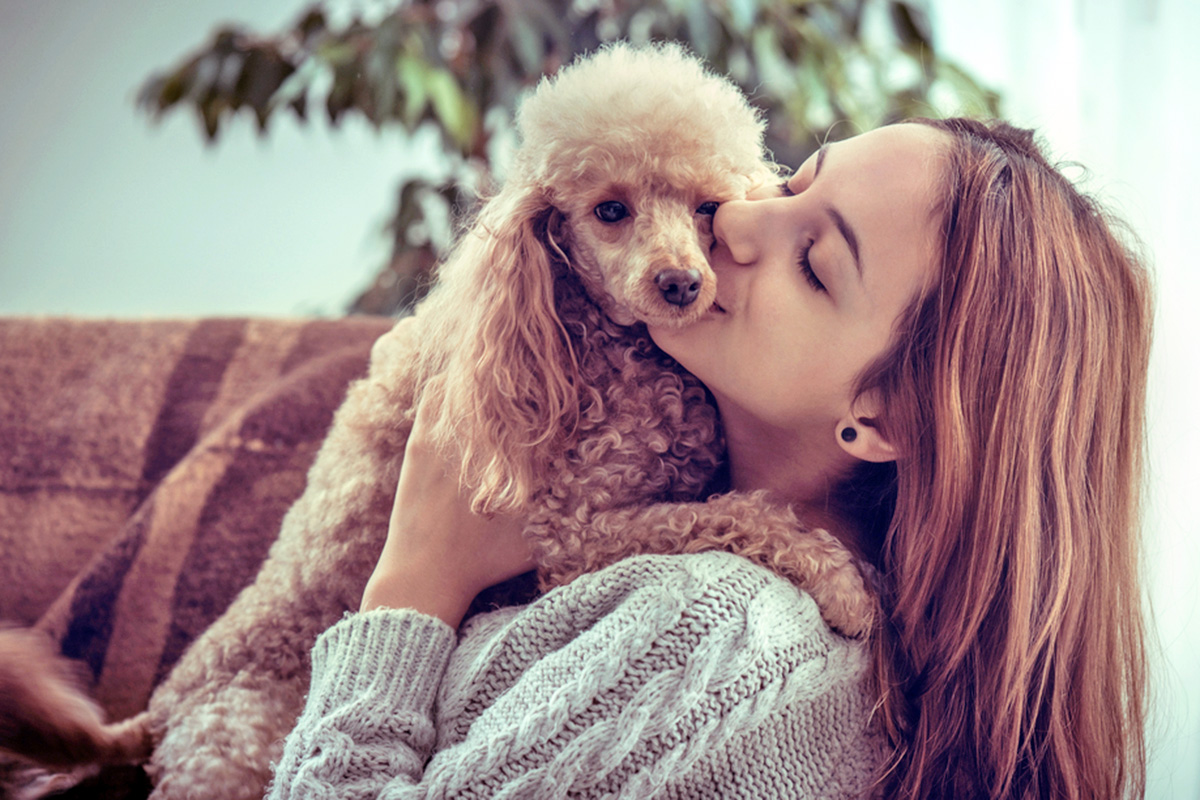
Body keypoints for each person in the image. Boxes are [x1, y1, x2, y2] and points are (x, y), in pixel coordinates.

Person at [266, 118, 1150, 799]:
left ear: (884, 417)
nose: (737, 218)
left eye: (813, 264)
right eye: (793, 179)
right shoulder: (829, 634)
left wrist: (417, 580)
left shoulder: (717, 639)